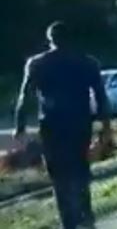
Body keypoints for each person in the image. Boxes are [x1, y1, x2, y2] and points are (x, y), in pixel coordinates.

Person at [14, 21, 111, 229]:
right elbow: (101, 98)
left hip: (52, 126)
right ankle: (85, 216)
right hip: (80, 124)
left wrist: (20, 128)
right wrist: (106, 128)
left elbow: (25, 98)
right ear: (71, 39)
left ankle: (68, 220)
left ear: (50, 40)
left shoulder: (37, 64)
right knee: (80, 170)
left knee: (59, 177)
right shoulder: (87, 62)